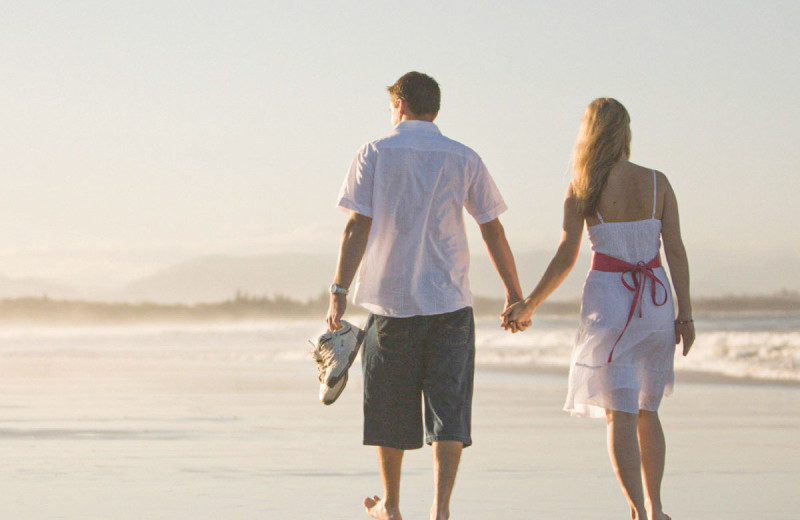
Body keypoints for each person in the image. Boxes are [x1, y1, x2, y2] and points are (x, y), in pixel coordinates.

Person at [326, 71, 526, 520]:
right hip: (450, 303)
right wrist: (515, 293)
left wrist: (338, 291)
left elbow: (357, 226)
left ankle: (392, 507)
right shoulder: (463, 157)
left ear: (399, 102)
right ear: (435, 107)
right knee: (449, 409)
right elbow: (491, 226)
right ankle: (441, 511)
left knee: (388, 406)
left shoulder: (374, 153)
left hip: (392, 303)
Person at [502, 98, 695, 520]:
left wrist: (529, 303)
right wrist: (686, 315)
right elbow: (676, 252)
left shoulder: (582, 185)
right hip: (656, 305)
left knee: (619, 416)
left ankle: (638, 513)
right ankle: (657, 508)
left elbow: (566, 256)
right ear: (625, 132)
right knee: (649, 411)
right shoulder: (658, 182)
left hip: (610, 306)